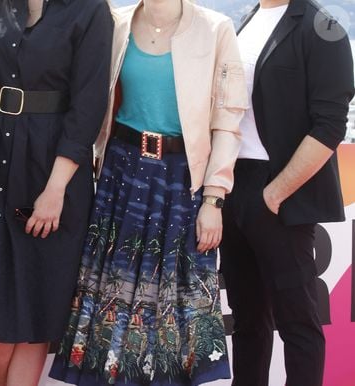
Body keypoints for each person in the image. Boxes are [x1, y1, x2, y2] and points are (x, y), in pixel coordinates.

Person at [49, 0, 247, 384]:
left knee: (171, 310)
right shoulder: (115, 23)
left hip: (182, 182)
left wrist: (214, 196)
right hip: (119, 177)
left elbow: (228, 121)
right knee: (112, 301)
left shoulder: (217, 29)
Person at [0, 0, 113, 385]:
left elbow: (88, 106)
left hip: (53, 166)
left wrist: (56, 189)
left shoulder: (90, 10)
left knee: (37, 295)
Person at [218, 1, 354, 385]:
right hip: (233, 184)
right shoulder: (246, 20)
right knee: (247, 322)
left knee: (298, 322)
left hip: (281, 191)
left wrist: (275, 193)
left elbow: (329, 126)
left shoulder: (324, 27)